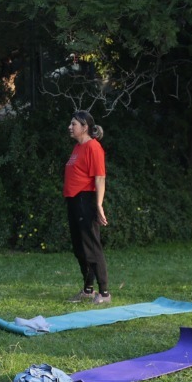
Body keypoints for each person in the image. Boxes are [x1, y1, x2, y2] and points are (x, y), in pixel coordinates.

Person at [63, 111, 110, 304]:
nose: (70, 127)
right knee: (79, 248)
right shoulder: (77, 147)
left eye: (73, 124)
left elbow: (99, 177)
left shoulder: (93, 147)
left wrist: (98, 204)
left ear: (84, 127)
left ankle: (104, 293)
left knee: (91, 245)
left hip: (85, 200)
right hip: (73, 200)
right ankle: (88, 289)